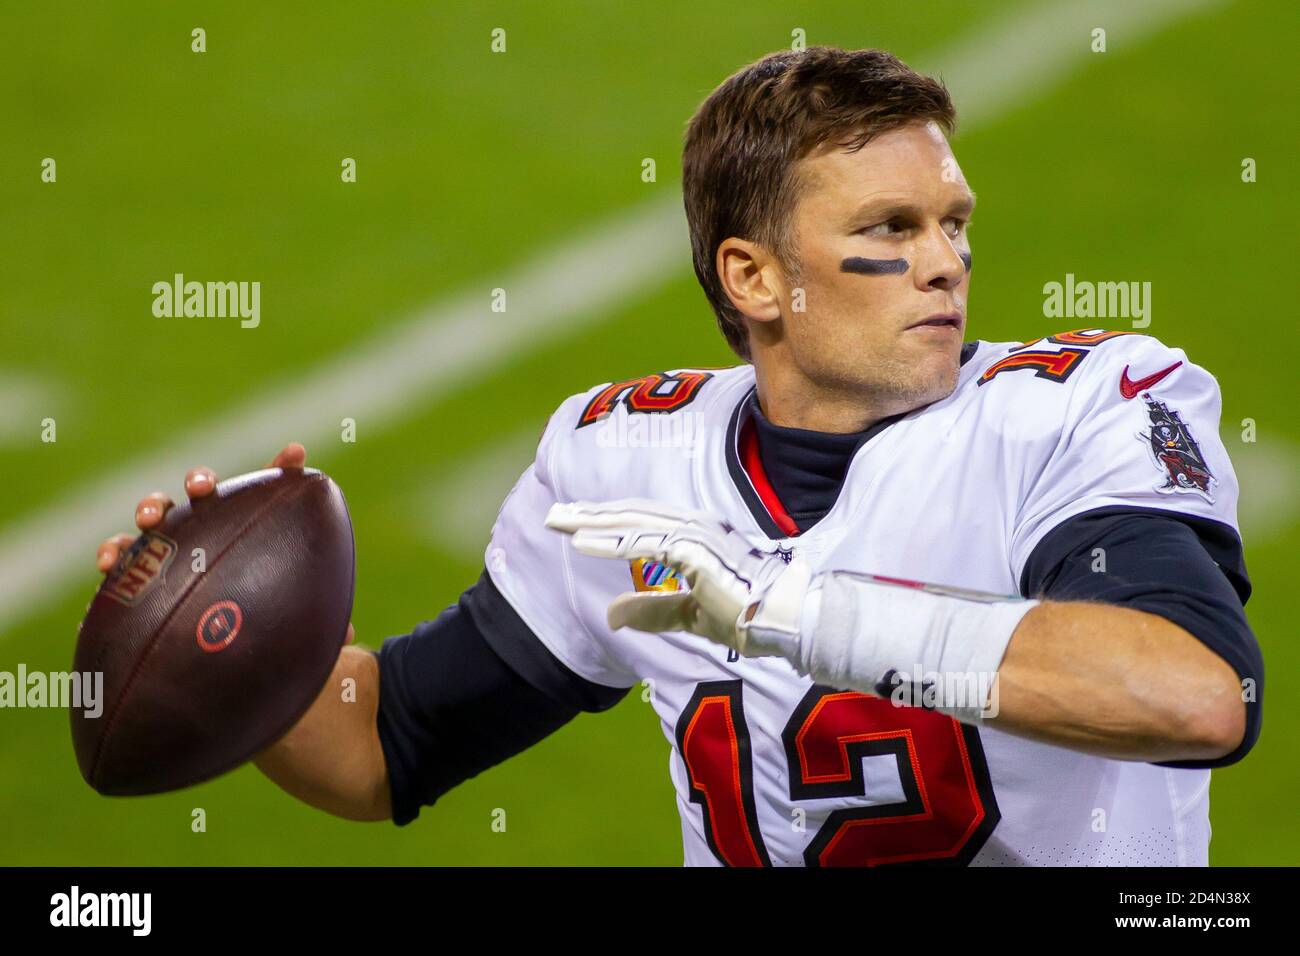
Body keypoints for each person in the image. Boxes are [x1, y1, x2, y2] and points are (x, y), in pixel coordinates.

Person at [96, 47, 1262, 866]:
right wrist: (229, 638)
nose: (946, 261)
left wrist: (778, 608)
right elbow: (384, 747)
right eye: (888, 230)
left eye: (950, 222)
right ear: (755, 278)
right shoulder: (627, 461)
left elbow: (1193, 693)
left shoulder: (1075, 409)